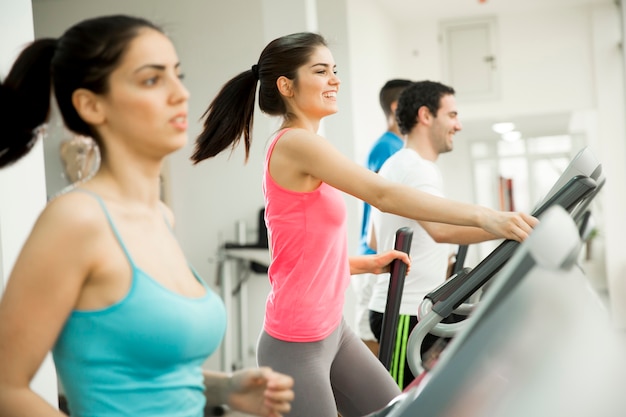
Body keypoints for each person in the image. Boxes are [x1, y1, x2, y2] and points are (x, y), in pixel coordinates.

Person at [190, 32, 538, 417]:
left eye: (334, 70)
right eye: (321, 71)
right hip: (296, 342)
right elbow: (383, 194)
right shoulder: (295, 143)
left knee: (397, 409)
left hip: (332, 330)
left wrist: (362, 264)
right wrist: (486, 215)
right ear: (286, 86)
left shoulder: (307, 143)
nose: (335, 79)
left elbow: (297, 251)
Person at [0, 15, 293, 417]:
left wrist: (225, 387)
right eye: (152, 80)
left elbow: (145, 373)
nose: (181, 93)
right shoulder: (76, 220)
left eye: (178, 74)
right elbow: (6, 387)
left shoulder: (159, 215)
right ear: (91, 104)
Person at [368, 80, 508, 390]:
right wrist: (505, 226)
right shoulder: (416, 168)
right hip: (404, 310)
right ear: (426, 116)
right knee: (399, 401)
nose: (458, 125)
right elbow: (441, 230)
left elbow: (376, 240)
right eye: (452, 115)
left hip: (407, 307)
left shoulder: (399, 164)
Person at [352, 79, 413, 357]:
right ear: (397, 107)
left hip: (382, 258)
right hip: (373, 258)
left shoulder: (397, 147)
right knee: (373, 351)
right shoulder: (388, 148)